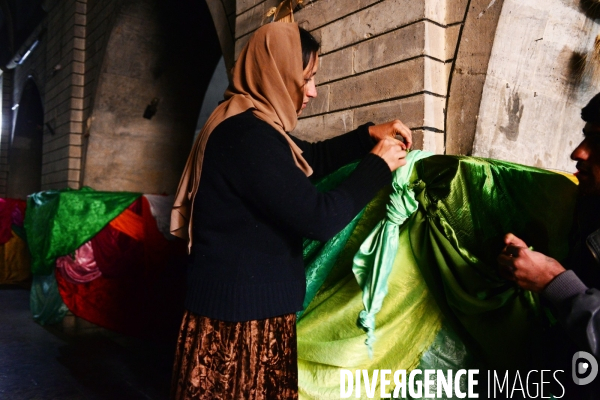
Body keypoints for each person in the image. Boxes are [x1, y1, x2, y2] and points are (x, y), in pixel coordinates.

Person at [169, 22, 412, 399]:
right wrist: (377, 166)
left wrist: (367, 136)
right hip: (240, 326)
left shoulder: (246, 121)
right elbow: (319, 217)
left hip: (239, 311)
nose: (313, 92)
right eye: (307, 79)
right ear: (276, 74)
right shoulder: (247, 136)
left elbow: (307, 159)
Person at [497, 93, 600, 399]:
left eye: (597, 141)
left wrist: (556, 281)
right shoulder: (586, 205)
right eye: (584, 136)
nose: (577, 153)